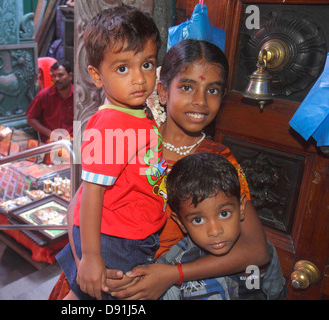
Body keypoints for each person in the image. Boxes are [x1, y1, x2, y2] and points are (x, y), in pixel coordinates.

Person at [49, 39, 270, 300]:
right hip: (92, 276)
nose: (200, 101)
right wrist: (86, 263)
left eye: (212, 90)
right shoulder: (131, 134)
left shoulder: (218, 160)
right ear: (163, 92)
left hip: (159, 286)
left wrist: (171, 274)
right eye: (187, 87)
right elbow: (79, 203)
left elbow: (257, 251)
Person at [55, 5, 167, 300]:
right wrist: (91, 256)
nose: (139, 79)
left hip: (123, 233)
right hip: (114, 240)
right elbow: (91, 191)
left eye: (146, 64)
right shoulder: (113, 123)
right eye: (122, 68)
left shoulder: (134, 114)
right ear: (96, 75)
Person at [159, 152, 287, 300]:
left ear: (241, 208)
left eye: (224, 214)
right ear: (181, 223)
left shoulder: (266, 252)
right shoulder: (173, 264)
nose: (215, 231)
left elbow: (275, 294)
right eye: (198, 220)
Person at [26, 60, 74, 143]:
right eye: (54, 76)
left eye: (60, 75)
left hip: (73, 140)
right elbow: (30, 119)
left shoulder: (79, 95)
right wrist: (51, 134)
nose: (56, 79)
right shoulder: (44, 95)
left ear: (70, 76)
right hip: (51, 142)